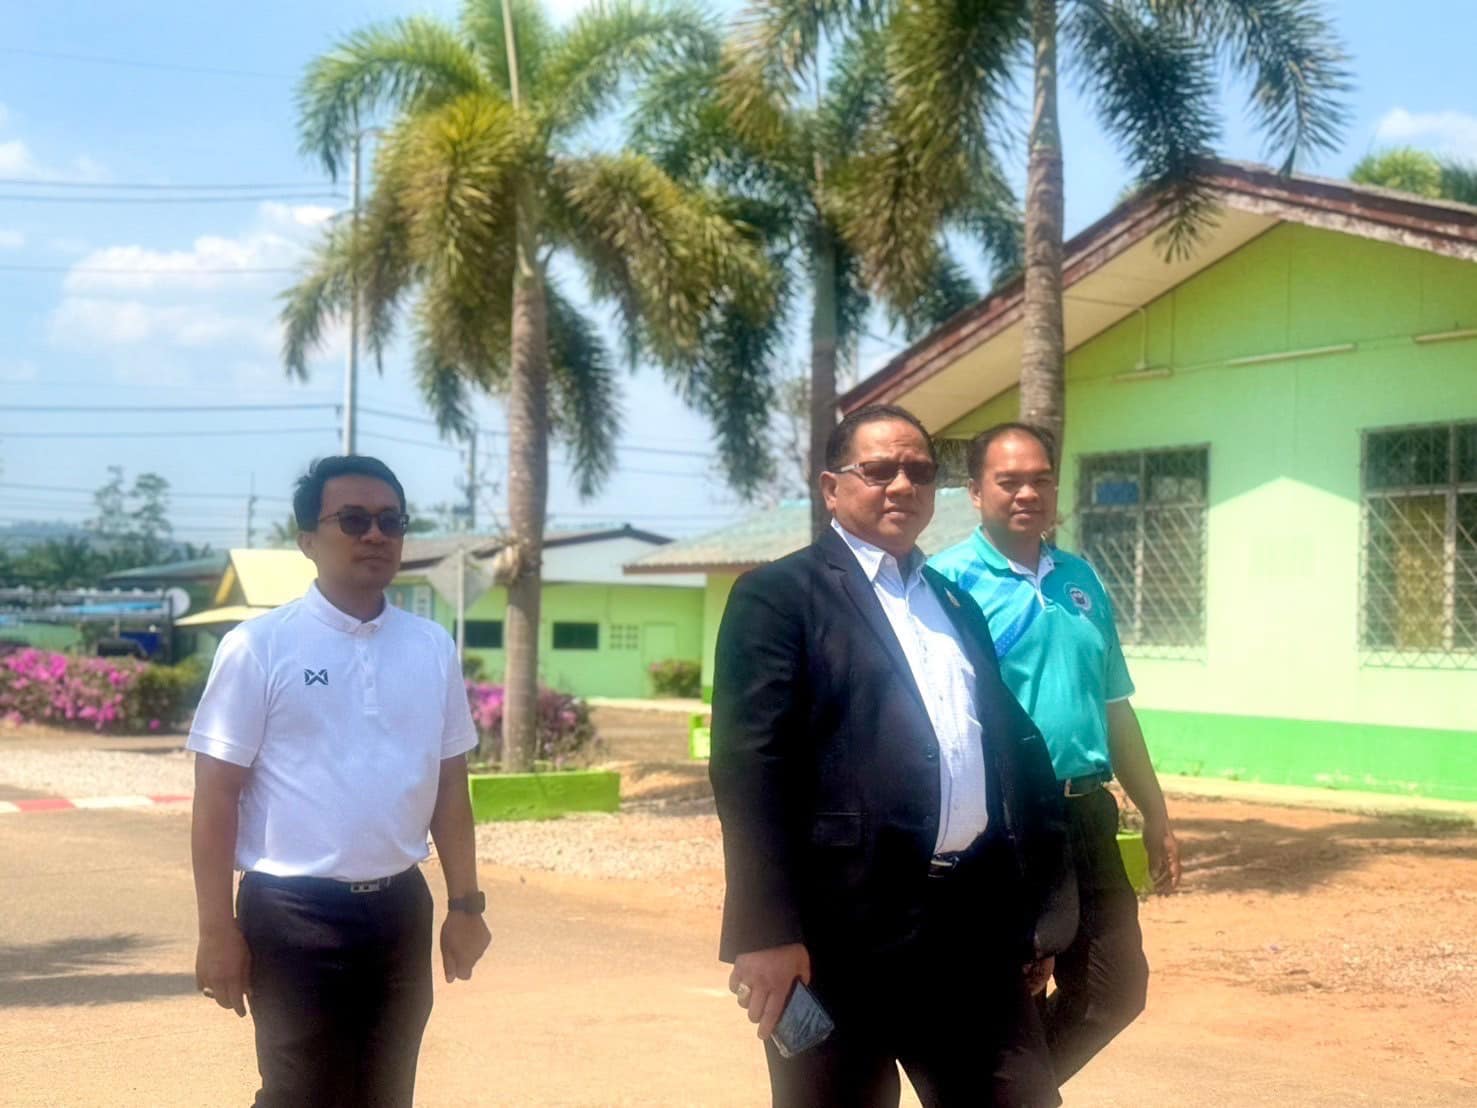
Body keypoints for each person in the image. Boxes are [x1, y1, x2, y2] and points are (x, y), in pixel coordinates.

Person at [711, 404, 1075, 1108]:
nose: (902, 486)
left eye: (919, 471)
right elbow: (748, 769)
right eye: (878, 470)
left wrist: (1031, 917)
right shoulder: (778, 597)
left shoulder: (954, 603)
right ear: (831, 487)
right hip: (834, 935)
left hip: (965, 927)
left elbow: (1002, 755)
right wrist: (765, 932)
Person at [189, 455, 491, 1108]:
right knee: (300, 1094)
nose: (375, 534)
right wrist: (216, 930)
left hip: (399, 912)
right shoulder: (259, 647)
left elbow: (450, 787)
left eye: (390, 521)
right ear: (307, 540)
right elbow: (215, 798)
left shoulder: (430, 647)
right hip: (292, 915)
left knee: (386, 1093)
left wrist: (466, 907)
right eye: (353, 520)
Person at [929, 422, 1183, 1084]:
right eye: (1008, 481)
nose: (1027, 493)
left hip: (1087, 813)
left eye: (1040, 479)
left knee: (1114, 990)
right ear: (975, 492)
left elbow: (1113, 706)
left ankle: (995, 1098)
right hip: (1005, 825)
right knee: (1012, 991)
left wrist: (1155, 811)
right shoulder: (944, 584)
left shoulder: (1080, 578)